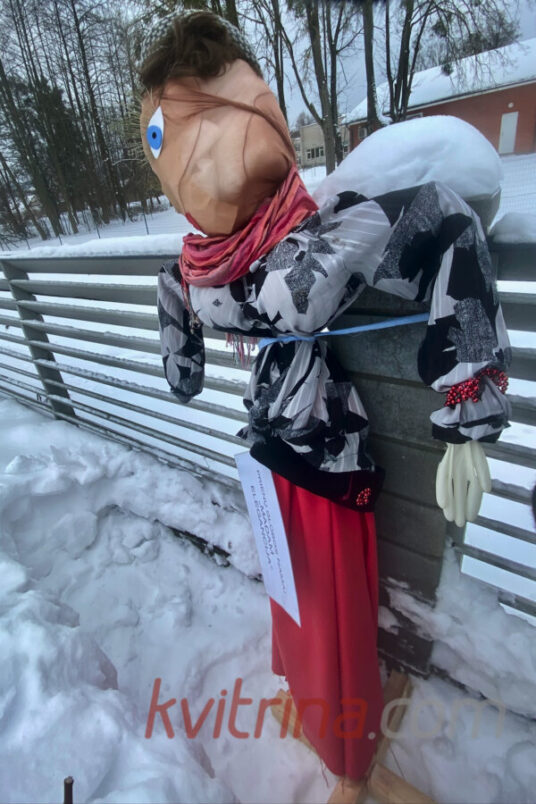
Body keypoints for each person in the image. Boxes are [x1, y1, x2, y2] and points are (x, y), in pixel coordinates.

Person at [136, 9, 511, 785]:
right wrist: (180, 348)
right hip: (269, 456)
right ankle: (311, 704)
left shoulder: (332, 233)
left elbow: (448, 225)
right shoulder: (204, 266)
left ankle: (346, 756)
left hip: (329, 463)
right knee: (296, 603)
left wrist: (468, 405)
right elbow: (178, 311)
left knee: (334, 611)